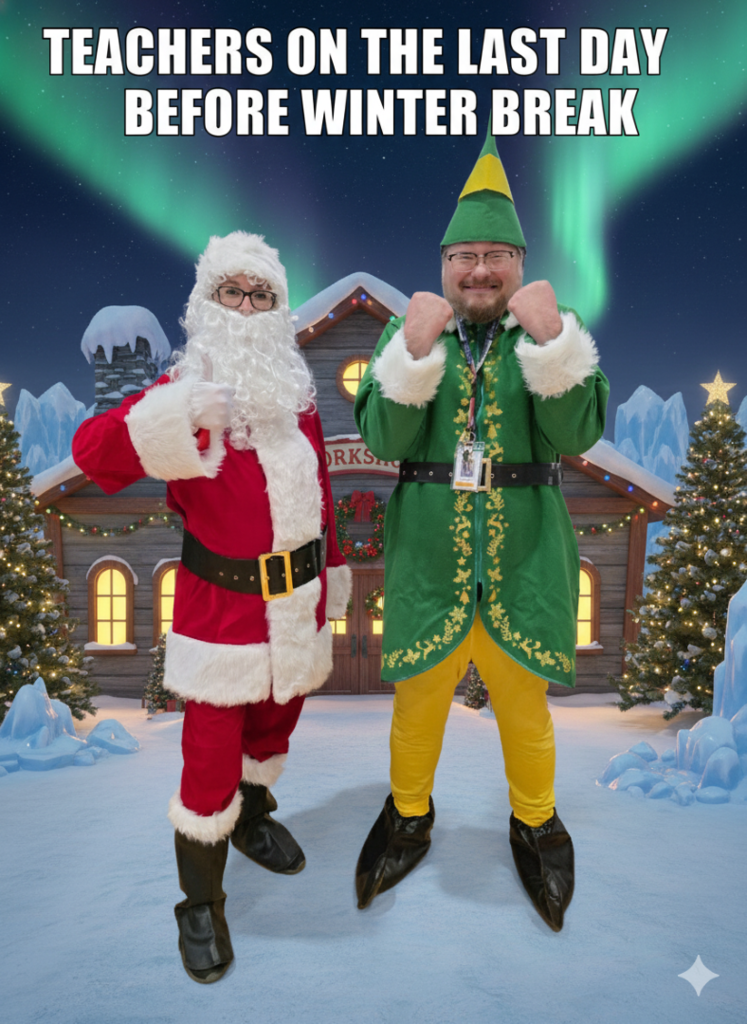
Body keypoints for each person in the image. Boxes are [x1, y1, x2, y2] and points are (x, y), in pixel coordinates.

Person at [73, 231, 351, 982]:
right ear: (206, 302)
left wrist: (334, 577)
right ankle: (199, 905)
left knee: (275, 722)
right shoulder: (178, 390)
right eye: (233, 291)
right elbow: (93, 452)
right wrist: (174, 411)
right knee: (208, 762)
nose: (248, 305)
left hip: (295, 603)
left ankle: (254, 816)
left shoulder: (296, 397)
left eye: (261, 295)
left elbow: (321, 492)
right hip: (220, 608)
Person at [353, 132, 609, 930]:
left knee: (523, 709)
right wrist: (411, 350)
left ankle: (535, 825)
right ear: (442, 266)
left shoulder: (551, 330)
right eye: (464, 254)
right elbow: (388, 444)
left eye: (496, 254)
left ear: (518, 264)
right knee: (416, 706)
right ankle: (407, 818)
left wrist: (553, 342)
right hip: (429, 560)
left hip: (525, 555)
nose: (479, 269)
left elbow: (576, 431)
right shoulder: (408, 336)